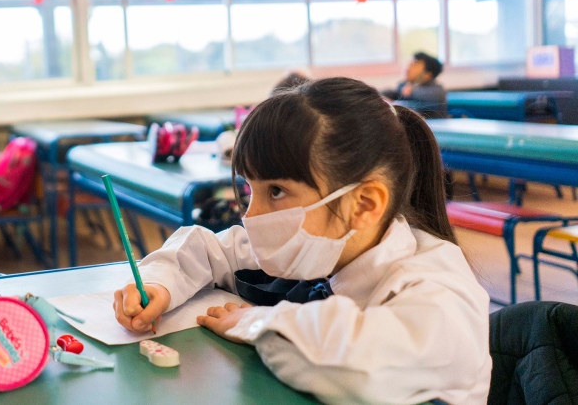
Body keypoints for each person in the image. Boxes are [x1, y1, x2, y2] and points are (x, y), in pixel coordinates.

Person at [113, 77, 491, 403]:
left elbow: (358, 366)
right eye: (250, 189)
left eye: (276, 191)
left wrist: (252, 322)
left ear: (364, 204)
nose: (252, 215)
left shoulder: (439, 292)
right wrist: (159, 283)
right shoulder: (325, 243)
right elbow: (212, 249)